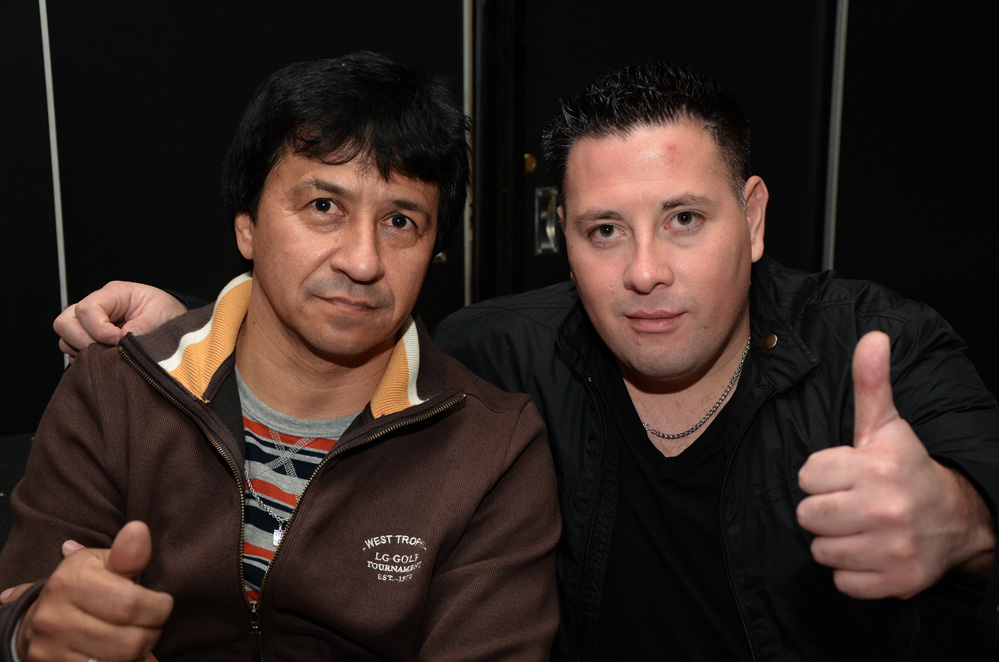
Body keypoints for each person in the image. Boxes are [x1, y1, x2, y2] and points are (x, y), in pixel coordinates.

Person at [41, 62, 999, 660]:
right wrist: (185, 339)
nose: (645, 271)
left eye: (683, 219)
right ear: (562, 238)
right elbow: (343, 331)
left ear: (750, 219)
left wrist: (957, 521)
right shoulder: (502, 352)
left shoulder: (874, 345)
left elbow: (979, 474)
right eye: (603, 230)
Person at [0, 52, 560, 661]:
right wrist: (33, 632)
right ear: (247, 224)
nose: (363, 261)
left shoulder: (493, 450)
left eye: (400, 221)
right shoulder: (118, 392)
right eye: (324, 207)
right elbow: (22, 606)